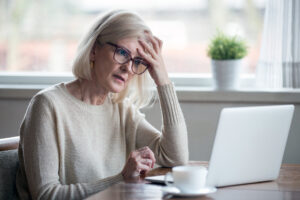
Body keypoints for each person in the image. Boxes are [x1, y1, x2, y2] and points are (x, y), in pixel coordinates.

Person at [16, 10, 189, 200]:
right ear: (93, 50)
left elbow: (175, 157)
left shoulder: (122, 109)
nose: (127, 68)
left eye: (137, 61)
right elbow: (45, 195)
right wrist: (120, 180)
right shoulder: (47, 106)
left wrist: (162, 79)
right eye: (122, 53)